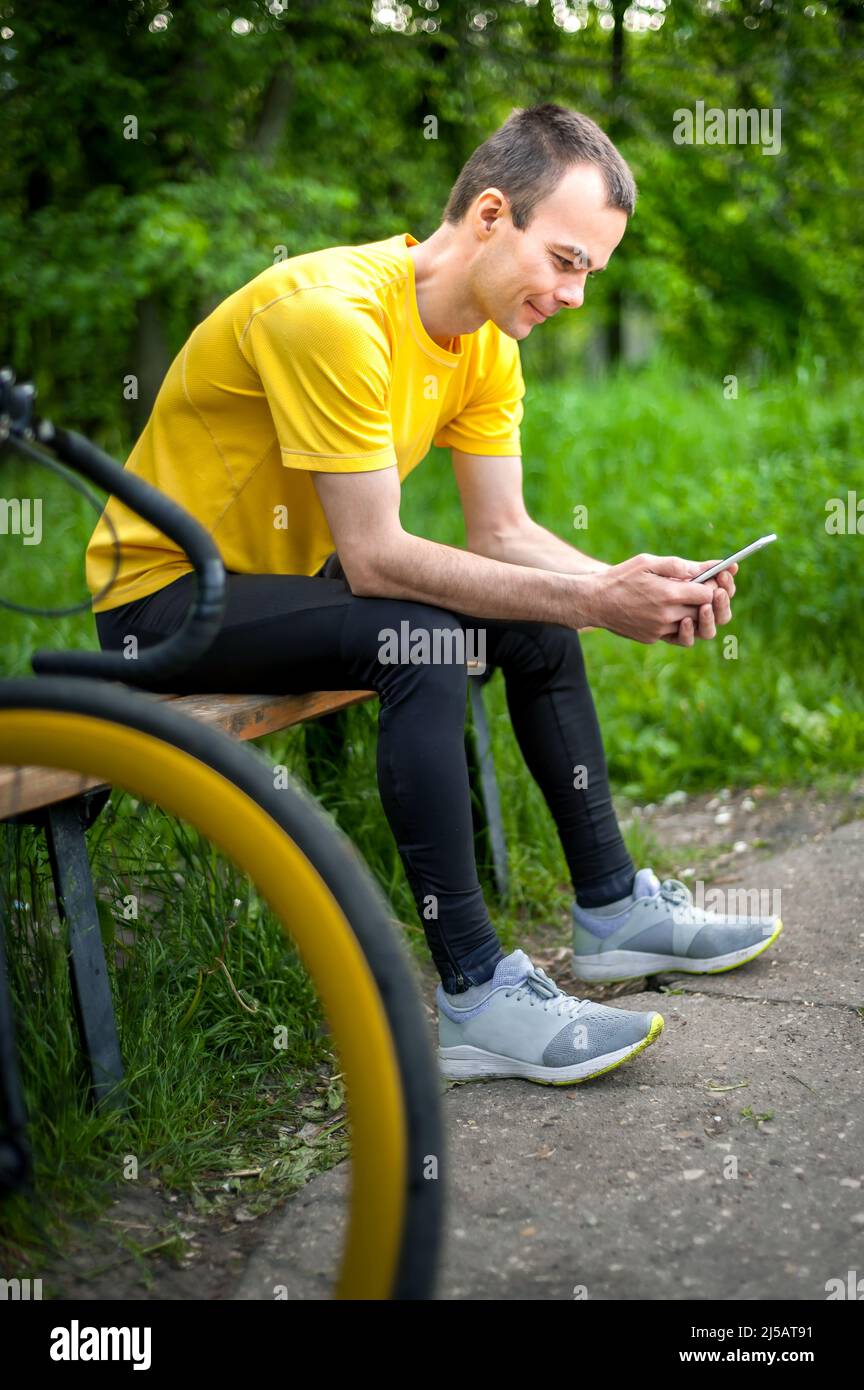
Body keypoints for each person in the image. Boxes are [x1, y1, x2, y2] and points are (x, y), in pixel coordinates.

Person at [86, 103, 781, 1087]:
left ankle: (614, 910)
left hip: (287, 586)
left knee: (529, 621)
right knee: (420, 634)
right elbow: (375, 560)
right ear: (492, 215)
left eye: (593, 273)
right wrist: (597, 601)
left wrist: (635, 584)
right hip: (160, 602)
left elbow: (505, 532)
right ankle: (473, 993)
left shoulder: (488, 341)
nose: (577, 296)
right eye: (569, 261)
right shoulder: (333, 312)